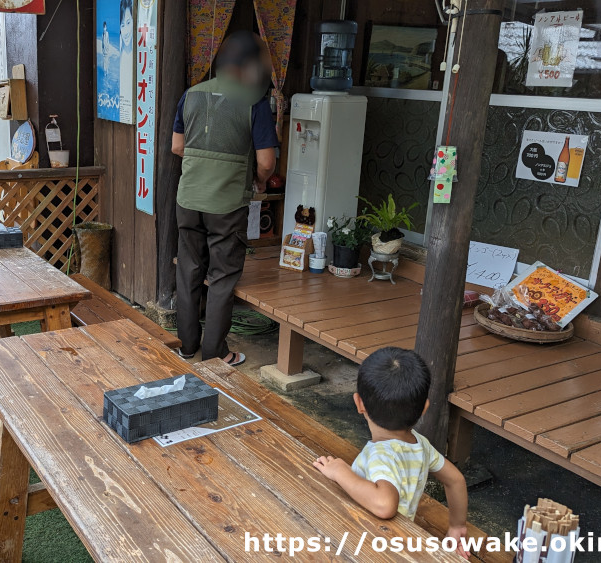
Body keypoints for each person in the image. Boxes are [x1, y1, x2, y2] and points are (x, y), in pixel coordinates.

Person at [171, 31, 278, 366]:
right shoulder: (255, 101)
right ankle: (216, 353)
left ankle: (187, 347)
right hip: (227, 202)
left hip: (188, 198)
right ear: (249, 67)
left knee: (188, 270)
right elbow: (265, 162)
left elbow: (176, 146)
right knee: (222, 277)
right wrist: (257, 182)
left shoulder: (190, 95)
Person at [313, 347, 470, 558]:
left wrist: (340, 471)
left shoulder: (381, 455)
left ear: (359, 403)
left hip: (372, 546)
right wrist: (457, 526)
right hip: (396, 544)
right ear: (424, 408)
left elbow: (384, 505)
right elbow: (456, 480)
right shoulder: (420, 444)